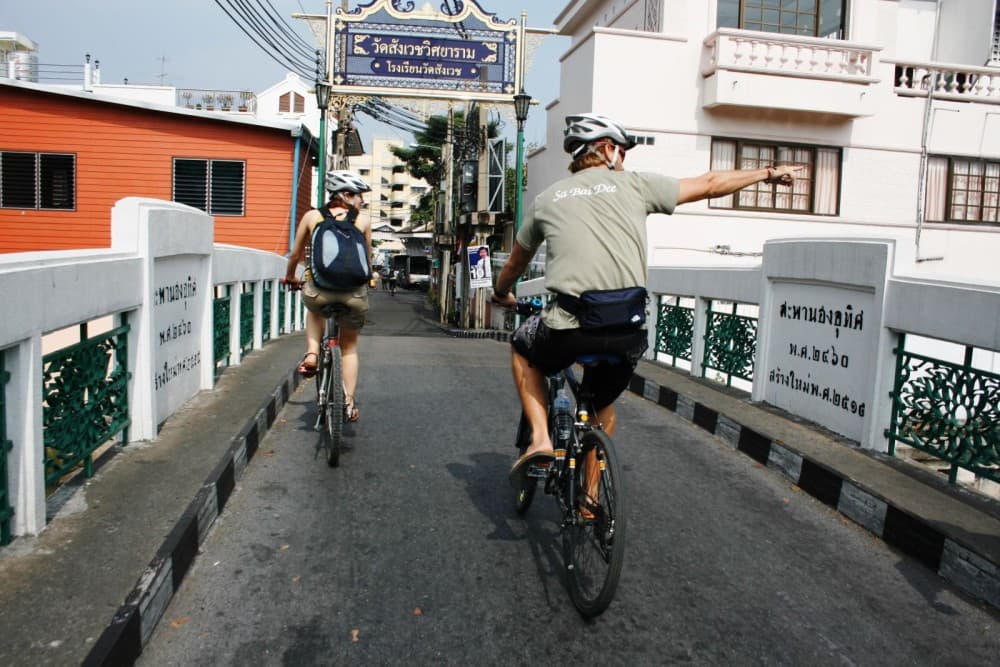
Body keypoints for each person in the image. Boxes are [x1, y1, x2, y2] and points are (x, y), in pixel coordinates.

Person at [492, 113, 801, 490]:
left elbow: (515, 263)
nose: (623, 161)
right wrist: (768, 173)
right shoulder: (637, 186)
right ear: (606, 150)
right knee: (600, 405)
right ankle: (591, 496)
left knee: (524, 349)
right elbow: (710, 183)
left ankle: (539, 438)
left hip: (570, 330)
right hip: (627, 331)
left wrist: (501, 292)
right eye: (622, 152)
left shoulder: (548, 199)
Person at [285, 169, 373, 423]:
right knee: (349, 347)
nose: (362, 202)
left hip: (319, 290)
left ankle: (312, 353)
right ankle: (348, 403)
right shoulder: (364, 222)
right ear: (346, 195)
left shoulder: (312, 216)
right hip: (353, 295)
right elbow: (366, 261)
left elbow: (295, 255)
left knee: (314, 307)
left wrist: (291, 276)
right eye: (359, 196)